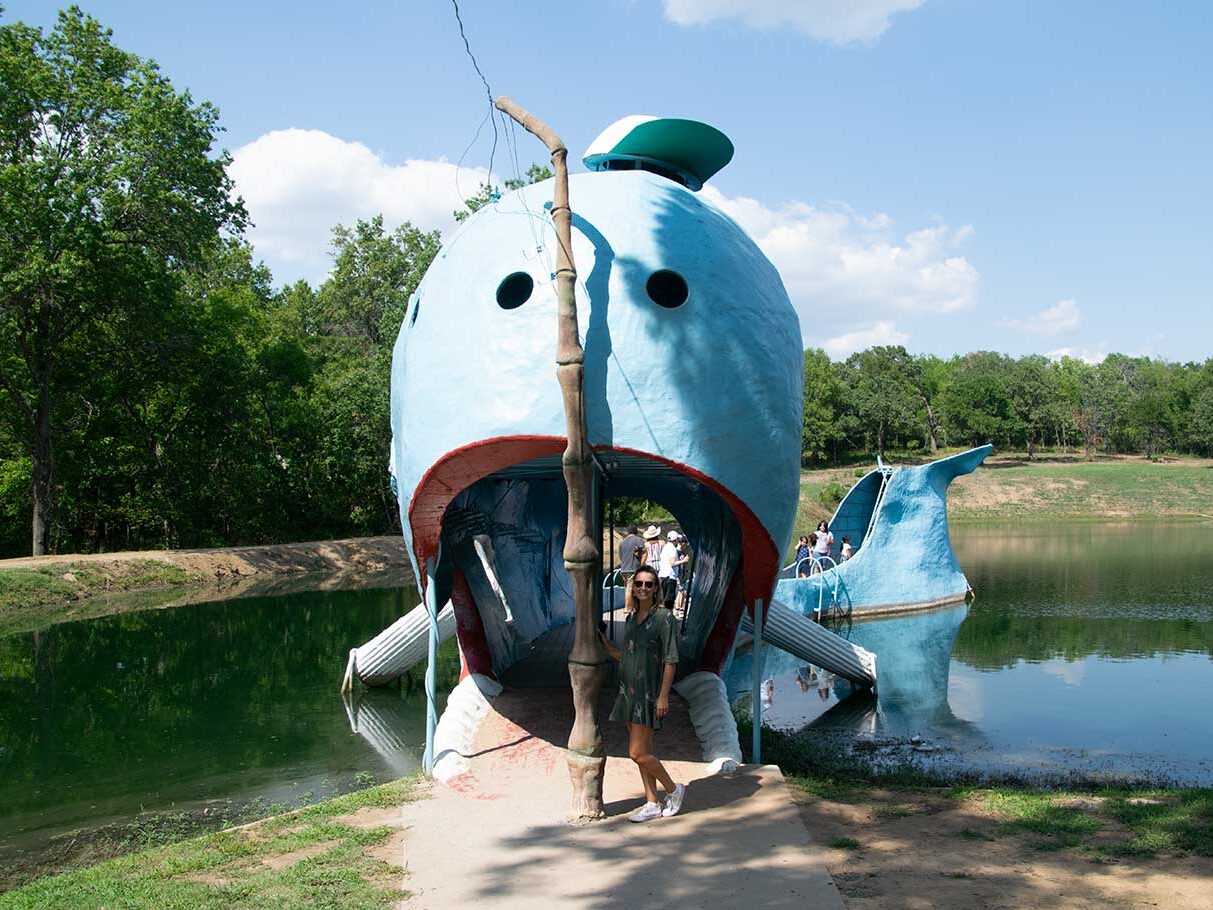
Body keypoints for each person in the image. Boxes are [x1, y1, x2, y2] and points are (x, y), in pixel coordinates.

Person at [598, 565, 686, 822]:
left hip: (648, 693)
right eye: (639, 584)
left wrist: (663, 696)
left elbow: (671, 660)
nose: (644, 588)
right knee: (643, 753)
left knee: (637, 752)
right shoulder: (630, 619)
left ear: (656, 588)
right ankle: (651, 802)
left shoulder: (664, 618)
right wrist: (604, 644)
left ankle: (673, 789)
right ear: (633, 588)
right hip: (628, 692)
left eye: (649, 584)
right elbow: (627, 654)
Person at [617, 526, 645, 605]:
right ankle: (628, 608)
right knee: (630, 589)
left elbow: (621, 556)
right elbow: (645, 552)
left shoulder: (622, 542)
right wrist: (642, 565)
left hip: (623, 569)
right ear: (636, 532)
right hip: (633, 569)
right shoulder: (638, 540)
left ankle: (631, 606)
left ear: (628, 532)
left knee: (627, 588)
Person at [658, 530, 684, 611]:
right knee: (669, 602)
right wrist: (683, 561)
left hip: (662, 576)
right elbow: (672, 563)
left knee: (663, 600)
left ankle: (662, 619)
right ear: (675, 540)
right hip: (669, 577)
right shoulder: (673, 549)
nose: (678, 541)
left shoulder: (665, 547)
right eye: (677, 540)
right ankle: (668, 620)